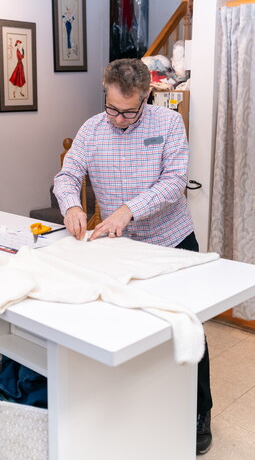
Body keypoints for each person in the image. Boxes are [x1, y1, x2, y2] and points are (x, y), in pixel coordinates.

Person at [53, 58, 213, 455]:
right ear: (104, 93)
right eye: (113, 109)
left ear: (147, 97)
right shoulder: (91, 129)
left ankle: (198, 413)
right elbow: (67, 176)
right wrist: (72, 205)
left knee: (186, 328)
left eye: (129, 111)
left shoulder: (168, 125)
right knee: (130, 330)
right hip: (119, 251)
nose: (120, 119)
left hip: (170, 241)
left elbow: (175, 183)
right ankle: (144, 411)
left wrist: (128, 209)